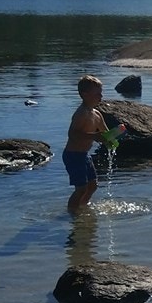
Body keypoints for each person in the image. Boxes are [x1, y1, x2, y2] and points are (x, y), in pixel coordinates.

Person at [63, 74, 108, 213]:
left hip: (84, 155)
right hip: (73, 155)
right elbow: (73, 134)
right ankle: (72, 213)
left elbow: (105, 133)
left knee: (93, 185)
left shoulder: (97, 114)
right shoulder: (81, 113)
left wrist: (116, 135)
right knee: (81, 188)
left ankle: (82, 207)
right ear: (85, 95)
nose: (100, 97)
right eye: (97, 94)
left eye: (101, 93)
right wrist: (94, 136)